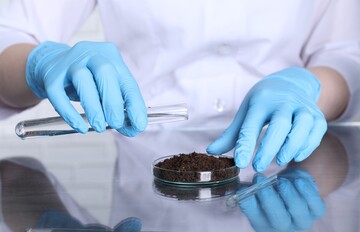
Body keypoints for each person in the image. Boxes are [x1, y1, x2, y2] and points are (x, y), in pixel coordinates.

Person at [0, 0, 359, 172]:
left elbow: (345, 52)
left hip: (290, 156)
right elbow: (11, 34)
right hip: (145, 170)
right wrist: (40, 62)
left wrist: (308, 88)